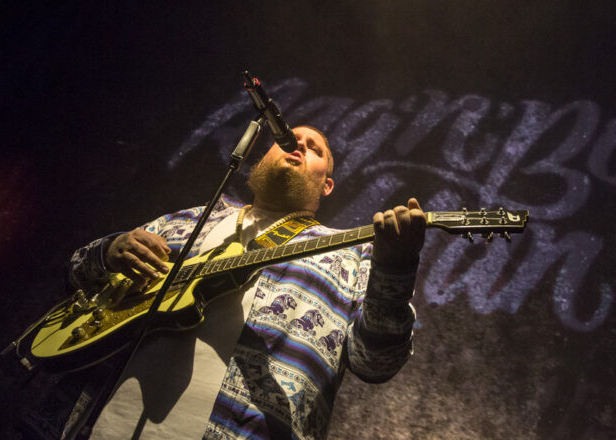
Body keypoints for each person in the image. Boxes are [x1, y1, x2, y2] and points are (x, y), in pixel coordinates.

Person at [37, 126, 424, 440]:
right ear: (262, 158)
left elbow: (374, 363)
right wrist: (108, 252)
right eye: (288, 138)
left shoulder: (351, 256)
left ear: (326, 185)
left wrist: (396, 269)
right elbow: (74, 276)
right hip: (98, 423)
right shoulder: (187, 223)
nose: (298, 146)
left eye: (314, 148)